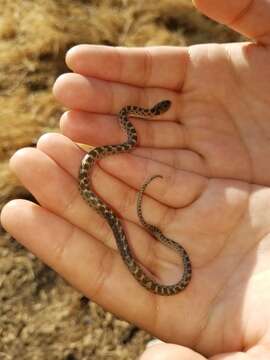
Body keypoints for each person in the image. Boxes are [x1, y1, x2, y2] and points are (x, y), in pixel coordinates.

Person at [2, 0, 270, 358]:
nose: (160, 113)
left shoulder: (131, 128)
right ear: (151, 115)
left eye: (158, 111)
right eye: (159, 112)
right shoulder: (127, 128)